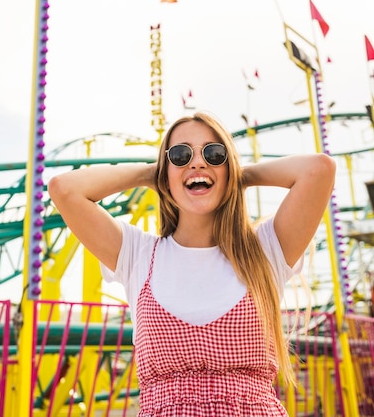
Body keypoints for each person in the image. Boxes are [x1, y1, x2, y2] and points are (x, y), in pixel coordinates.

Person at [48, 111, 336, 416]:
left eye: (214, 153)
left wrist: (240, 174)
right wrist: (151, 172)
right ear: (165, 173)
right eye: (181, 155)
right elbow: (64, 189)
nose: (197, 162)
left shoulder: (265, 250)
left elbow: (318, 169)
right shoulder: (138, 255)